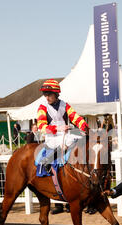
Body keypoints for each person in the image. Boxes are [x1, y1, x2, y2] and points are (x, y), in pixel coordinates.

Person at [36, 79, 88, 214]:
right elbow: (42, 126)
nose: (46, 97)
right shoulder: (42, 108)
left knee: (82, 136)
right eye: (45, 94)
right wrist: (58, 128)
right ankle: (47, 162)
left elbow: (76, 117)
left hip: (66, 133)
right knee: (65, 141)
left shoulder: (65, 105)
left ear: (56, 94)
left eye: (49, 94)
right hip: (52, 136)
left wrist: (83, 126)